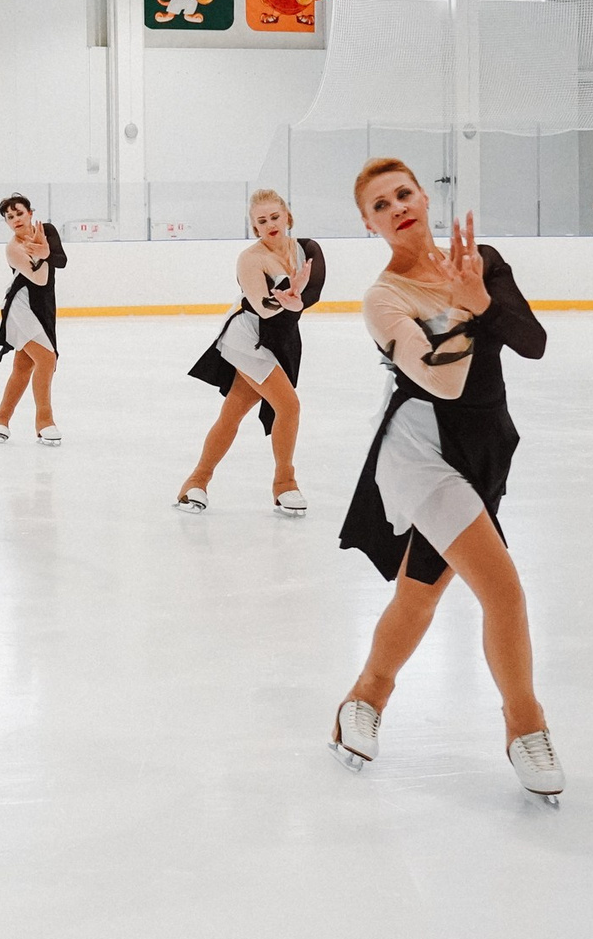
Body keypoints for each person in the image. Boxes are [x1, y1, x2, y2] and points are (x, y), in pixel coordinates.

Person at [334, 160, 561, 800]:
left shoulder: (481, 259)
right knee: (504, 591)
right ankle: (526, 726)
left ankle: (364, 697)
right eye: (380, 204)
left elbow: (533, 341)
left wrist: (482, 299)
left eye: (403, 193)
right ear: (368, 223)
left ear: (424, 197)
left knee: (420, 594)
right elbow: (442, 379)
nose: (397, 207)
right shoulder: (384, 298)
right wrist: (463, 315)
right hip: (423, 450)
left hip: (489, 445)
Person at [177, 189, 323, 514]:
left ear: (287, 216)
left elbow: (314, 292)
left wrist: (298, 299)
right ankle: (285, 483)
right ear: (254, 227)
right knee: (289, 406)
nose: (270, 224)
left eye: (274, 216)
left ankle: (196, 482)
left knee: (233, 411)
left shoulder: (306, 250)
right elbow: (263, 306)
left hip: (281, 338)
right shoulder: (250, 258)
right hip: (249, 337)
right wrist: (287, 299)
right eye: (261, 220)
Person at [0, 193, 67, 446]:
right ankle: (44, 421)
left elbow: (61, 261)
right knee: (46, 358)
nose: (15, 219)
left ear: (30, 212)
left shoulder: (47, 230)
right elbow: (39, 278)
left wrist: (45, 250)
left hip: (43, 306)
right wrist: (42, 254)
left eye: (19, 213)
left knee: (23, 367)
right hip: (21, 307)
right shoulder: (13, 249)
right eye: (9, 217)